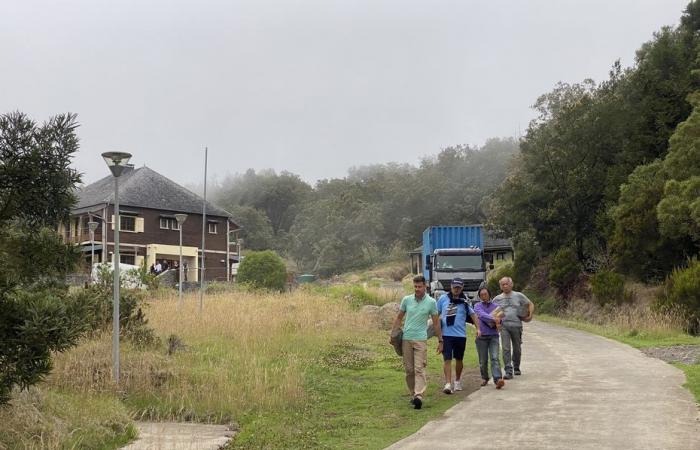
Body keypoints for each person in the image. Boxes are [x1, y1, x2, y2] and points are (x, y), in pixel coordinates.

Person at [390, 275, 443, 410]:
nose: (417, 289)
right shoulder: (407, 300)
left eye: (420, 287)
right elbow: (399, 318)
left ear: (425, 286)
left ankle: (419, 395)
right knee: (409, 370)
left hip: (421, 339)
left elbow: (436, 323)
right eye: (415, 287)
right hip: (406, 339)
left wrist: (440, 340)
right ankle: (413, 394)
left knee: (419, 368)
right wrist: (393, 334)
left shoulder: (431, 302)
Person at [436, 278, 480, 394]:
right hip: (446, 335)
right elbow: (436, 314)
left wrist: (478, 328)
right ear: (451, 287)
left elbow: (473, 315)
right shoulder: (443, 299)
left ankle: (457, 380)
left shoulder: (464, 301)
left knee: (459, 359)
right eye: (455, 287)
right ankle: (448, 383)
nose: (456, 289)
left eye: (459, 287)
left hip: (460, 335)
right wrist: (436, 332)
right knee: (447, 359)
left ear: (462, 288)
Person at [494, 276, 534, 379]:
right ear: (501, 286)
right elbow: (492, 312)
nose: (505, 286)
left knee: (517, 348)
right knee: (506, 348)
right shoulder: (497, 298)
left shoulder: (519, 295)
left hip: (517, 325)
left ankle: (516, 367)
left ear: (511, 284)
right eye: (503, 284)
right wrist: (496, 323)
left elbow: (530, 304)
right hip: (504, 326)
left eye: (507, 284)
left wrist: (529, 316)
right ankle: (508, 370)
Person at [473, 287, 505, 389]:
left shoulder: (496, 306)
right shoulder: (477, 306)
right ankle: (485, 377)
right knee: (483, 360)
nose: (483, 296)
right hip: (481, 336)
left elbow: (502, 320)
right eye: (481, 295)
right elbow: (481, 315)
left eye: (485, 294)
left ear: (489, 294)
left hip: (493, 336)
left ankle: (497, 379)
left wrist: (498, 321)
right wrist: (494, 318)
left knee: (495, 357)